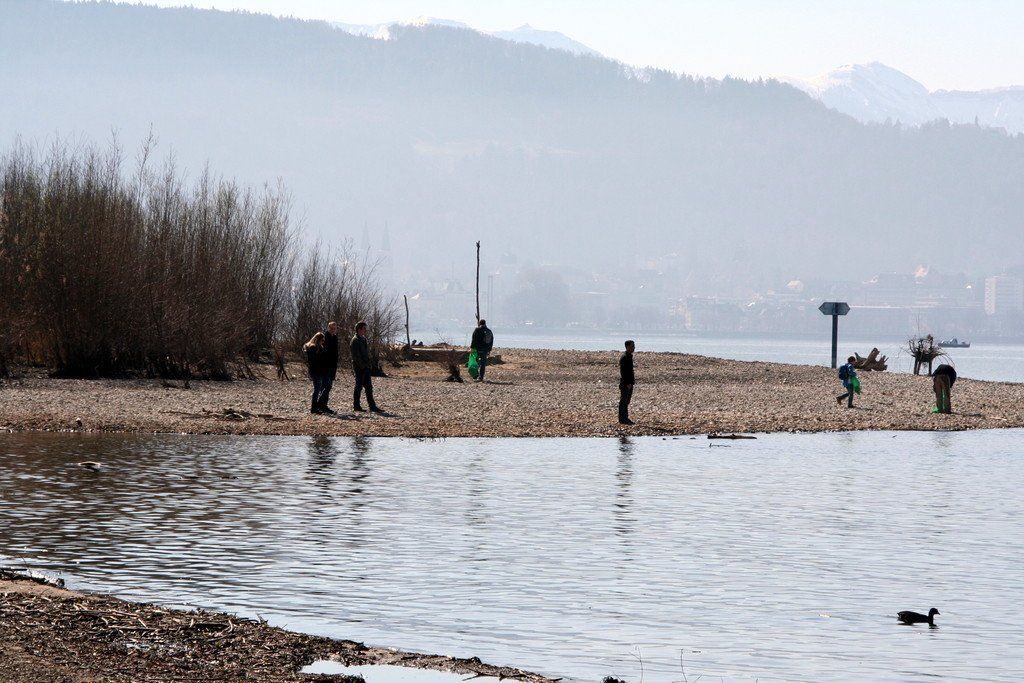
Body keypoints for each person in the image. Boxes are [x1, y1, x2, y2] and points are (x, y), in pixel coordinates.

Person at [350, 321, 382, 413]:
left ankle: (372, 406)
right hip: (359, 367)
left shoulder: (363, 339)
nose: (365, 330)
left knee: (369, 387)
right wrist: (363, 366)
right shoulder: (355, 340)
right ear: (359, 329)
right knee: (358, 386)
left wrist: (368, 365)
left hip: (366, 367)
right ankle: (356, 406)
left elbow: (366, 354)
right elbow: (355, 356)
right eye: (364, 328)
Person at [318, 321, 339, 413]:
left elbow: (335, 351)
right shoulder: (324, 337)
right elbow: (322, 351)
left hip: (332, 366)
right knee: (325, 385)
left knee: (328, 386)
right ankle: (320, 405)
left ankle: (323, 405)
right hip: (325, 365)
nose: (333, 330)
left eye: (334, 328)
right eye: (331, 328)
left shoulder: (335, 337)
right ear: (328, 328)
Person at [303, 332, 327, 414]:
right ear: (318, 340)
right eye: (322, 340)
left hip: (316, 370)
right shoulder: (313, 348)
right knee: (317, 389)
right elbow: (315, 361)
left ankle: (316, 406)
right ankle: (314, 407)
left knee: (319, 388)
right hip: (316, 371)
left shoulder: (317, 347)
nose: (323, 342)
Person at [619, 340, 636, 425]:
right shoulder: (624, 357)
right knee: (624, 401)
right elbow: (623, 372)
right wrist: (627, 383)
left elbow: (630, 371)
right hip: (625, 383)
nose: (634, 348)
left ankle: (625, 418)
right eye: (632, 346)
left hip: (630, 383)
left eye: (634, 346)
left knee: (626, 401)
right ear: (627, 347)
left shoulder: (629, 356)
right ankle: (623, 419)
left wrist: (632, 382)